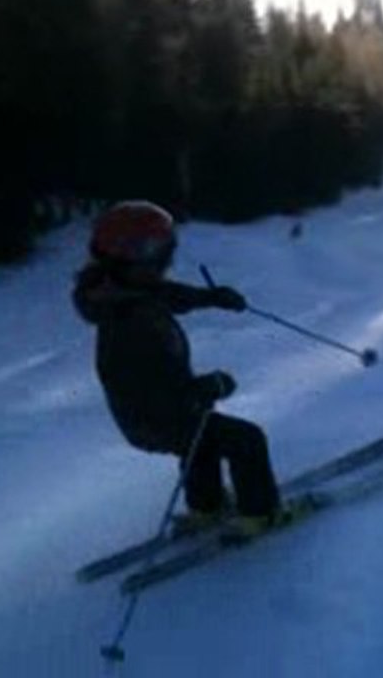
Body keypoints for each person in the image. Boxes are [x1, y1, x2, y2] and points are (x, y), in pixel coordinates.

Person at [72, 200, 283, 536]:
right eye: (161, 252)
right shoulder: (129, 322)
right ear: (136, 254)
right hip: (155, 417)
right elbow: (146, 388)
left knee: (200, 440)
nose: (168, 260)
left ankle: (207, 508)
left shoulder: (123, 292)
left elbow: (166, 295)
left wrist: (212, 298)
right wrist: (205, 387)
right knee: (246, 440)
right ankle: (261, 514)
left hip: (156, 414)